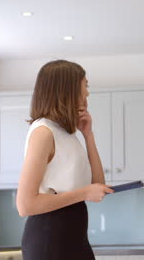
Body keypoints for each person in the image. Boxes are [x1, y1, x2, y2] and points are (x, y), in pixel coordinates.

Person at [16, 60, 114, 260]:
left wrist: (88, 135)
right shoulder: (43, 132)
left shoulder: (65, 133)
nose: (87, 93)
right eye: (85, 86)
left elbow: (98, 185)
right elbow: (25, 205)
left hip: (73, 235)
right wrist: (84, 193)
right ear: (67, 88)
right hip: (50, 237)